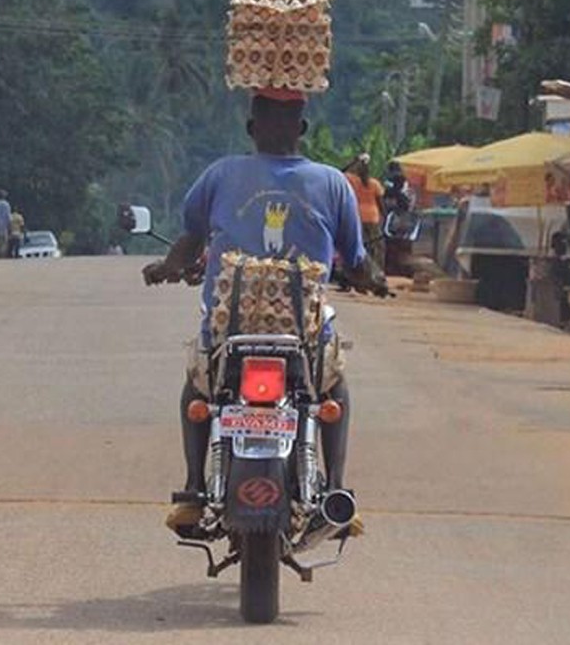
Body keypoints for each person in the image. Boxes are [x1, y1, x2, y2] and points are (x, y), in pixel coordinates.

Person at [142, 88, 387, 532]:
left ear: (251, 129)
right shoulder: (332, 182)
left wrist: (166, 268)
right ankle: (336, 488)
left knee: (198, 391)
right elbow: (355, 260)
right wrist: (376, 280)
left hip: (228, 329)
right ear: (303, 129)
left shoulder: (220, 175)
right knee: (333, 390)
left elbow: (189, 240)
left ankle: (195, 490)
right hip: (305, 331)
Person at [344, 153, 386, 272]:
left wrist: (354, 162)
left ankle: (360, 272)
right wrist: (385, 216)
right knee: (377, 247)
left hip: (358, 216)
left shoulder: (352, 181)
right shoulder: (374, 183)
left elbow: (340, 171)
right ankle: (378, 272)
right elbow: (380, 203)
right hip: (373, 217)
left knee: (360, 246)